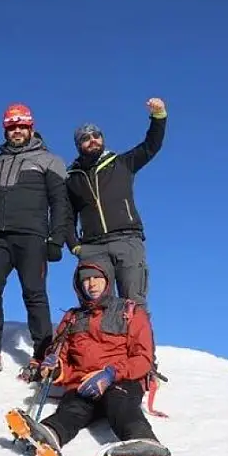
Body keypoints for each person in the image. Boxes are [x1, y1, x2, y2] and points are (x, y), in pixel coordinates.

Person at [5, 259, 171, 456]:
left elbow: (143, 358)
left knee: (120, 402)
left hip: (121, 380)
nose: (91, 284)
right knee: (72, 408)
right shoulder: (73, 317)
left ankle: (145, 441)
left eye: (97, 278)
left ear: (107, 281)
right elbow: (61, 356)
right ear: (78, 285)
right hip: (83, 384)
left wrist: (110, 374)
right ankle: (48, 436)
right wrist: (56, 370)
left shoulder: (130, 312)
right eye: (86, 280)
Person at [0, 103, 71, 378]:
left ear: (31, 128)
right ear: (6, 130)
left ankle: (41, 355)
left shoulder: (50, 160)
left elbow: (60, 203)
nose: (16, 131)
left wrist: (56, 239)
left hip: (32, 237)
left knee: (34, 294)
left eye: (21, 127)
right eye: (11, 127)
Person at [65, 98, 167, 308]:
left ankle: (137, 342)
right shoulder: (72, 178)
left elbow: (151, 146)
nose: (92, 140)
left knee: (133, 304)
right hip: (92, 247)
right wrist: (74, 246)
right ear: (78, 145)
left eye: (96, 135)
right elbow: (66, 215)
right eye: (86, 138)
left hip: (127, 240)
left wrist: (158, 116)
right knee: (96, 306)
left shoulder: (122, 163)